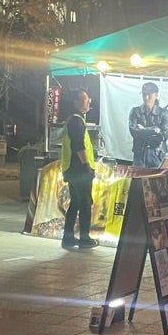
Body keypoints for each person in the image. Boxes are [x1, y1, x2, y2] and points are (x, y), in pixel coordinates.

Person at [59, 88, 96, 249]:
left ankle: (68, 237)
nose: (88, 101)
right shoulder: (76, 121)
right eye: (85, 99)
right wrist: (87, 166)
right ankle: (84, 238)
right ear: (76, 102)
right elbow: (79, 146)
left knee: (75, 203)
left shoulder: (73, 119)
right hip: (80, 170)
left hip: (72, 169)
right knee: (85, 203)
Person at [128, 81, 168, 167]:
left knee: (157, 175)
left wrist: (143, 129)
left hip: (157, 152)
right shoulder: (135, 111)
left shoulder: (164, 113)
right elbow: (134, 132)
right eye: (144, 94)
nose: (146, 98)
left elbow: (163, 136)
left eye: (149, 95)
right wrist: (153, 130)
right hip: (140, 152)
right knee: (137, 175)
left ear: (156, 95)